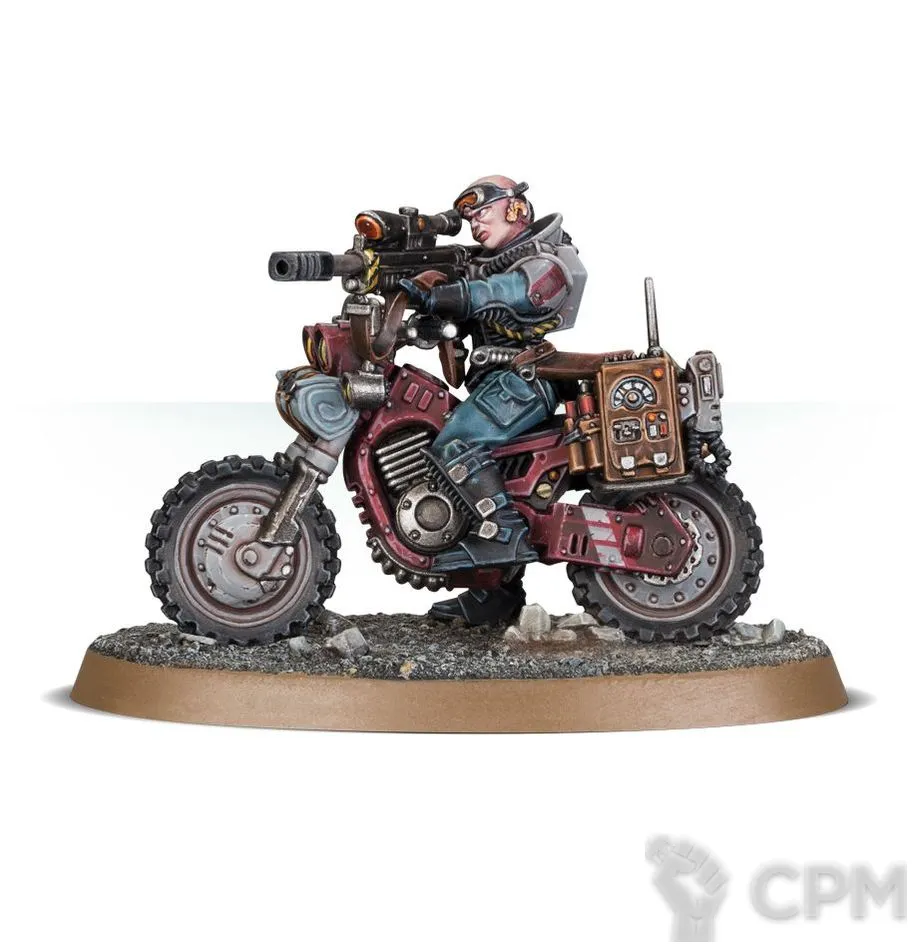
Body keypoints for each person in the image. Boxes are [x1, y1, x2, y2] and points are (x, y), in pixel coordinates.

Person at [398, 176, 587, 624]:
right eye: (468, 217)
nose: (475, 223)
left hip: (524, 382)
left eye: (483, 211)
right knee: (479, 480)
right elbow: (466, 313)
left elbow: (511, 292)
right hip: (493, 382)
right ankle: (494, 596)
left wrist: (455, 295)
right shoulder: (482, 265)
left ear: (516, 210)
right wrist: (429, 314)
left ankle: (502, 534)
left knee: (456, 446)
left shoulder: (546, 260)